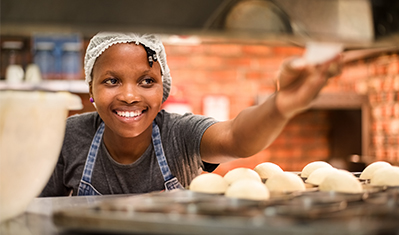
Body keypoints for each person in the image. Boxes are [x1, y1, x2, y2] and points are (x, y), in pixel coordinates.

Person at [40, 32, 341, 196]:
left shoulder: (179, 135)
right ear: (90, 89)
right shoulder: (70, 136)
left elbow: (236, 137)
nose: (130, 96)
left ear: (163, 93)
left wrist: (280, 104)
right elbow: (38, 213)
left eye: (147, 81)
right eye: (112, 81)